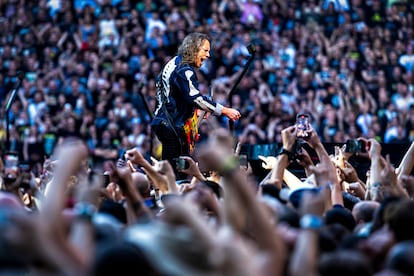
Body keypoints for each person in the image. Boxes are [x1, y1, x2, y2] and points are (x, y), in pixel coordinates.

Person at [151, 32, 241, 179]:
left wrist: (199, 107)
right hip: (171, 126)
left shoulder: (174, 62)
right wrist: (224, 110)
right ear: (193, 49)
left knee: (172, 169)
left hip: (165, 123)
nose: (208, 55)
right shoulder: (184, 70)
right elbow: (195, 97)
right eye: (205, 50)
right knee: (176, 172)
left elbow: (178, 95)